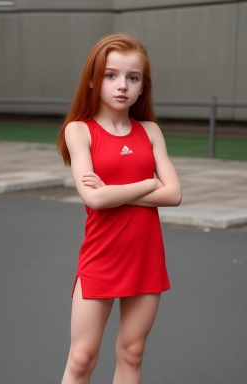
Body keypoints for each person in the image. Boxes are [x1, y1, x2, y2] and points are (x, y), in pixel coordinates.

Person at [57, 32, 182, 384]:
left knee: (132, 352)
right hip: (101, 256)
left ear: (143, 86)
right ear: (94, 80)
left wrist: (114, 190)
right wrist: (148, 184)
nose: (122, 85)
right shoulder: (78, 131)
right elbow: (94, 198)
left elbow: (174, 195)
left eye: (133, 77)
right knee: (81, 359)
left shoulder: (151, 131)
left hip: (145, 256)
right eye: (111, 75)